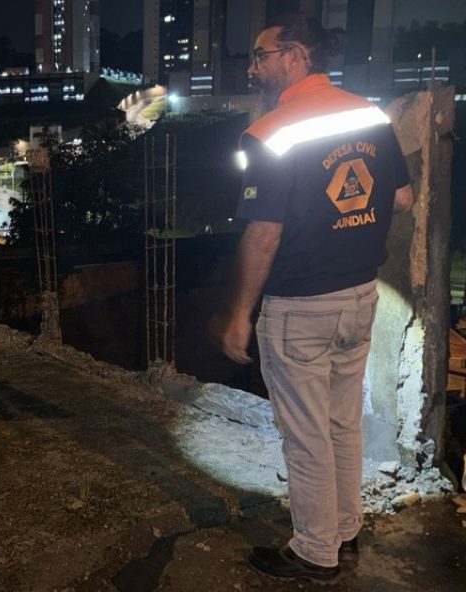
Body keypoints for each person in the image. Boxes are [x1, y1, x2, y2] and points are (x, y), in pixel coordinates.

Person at [211, 13, 414, 584]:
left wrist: (238, 314)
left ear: (295, 55)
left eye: (260, 56)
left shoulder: (271, 132)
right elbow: (401, 199)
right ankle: (345, 530)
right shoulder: (368, 113)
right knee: (341, 424)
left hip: (300, 305)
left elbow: (264, 232)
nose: (253, 69)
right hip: (359, 295)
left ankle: (314, 551)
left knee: (305, 437)